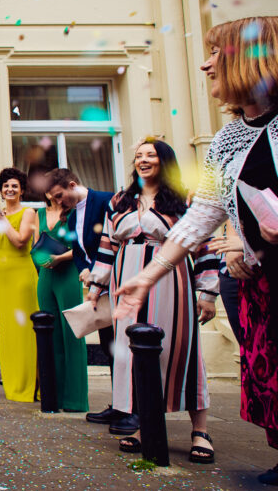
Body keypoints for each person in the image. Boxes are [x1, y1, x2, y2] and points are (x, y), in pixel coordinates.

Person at [116, 17, 278, 485]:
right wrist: (148, 275)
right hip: (260, 279)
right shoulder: (227, 138)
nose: (206, 65)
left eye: (217, 55)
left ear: (251, 60)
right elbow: (203, 214)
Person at [89, 139, 218, 461]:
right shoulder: (121, 199)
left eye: (151, 155)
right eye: (138, 156)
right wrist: (95, 286)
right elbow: (107, 245)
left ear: (165, 161)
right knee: (131, 354)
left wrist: (208, 293)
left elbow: (202, 244)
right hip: (125, 280)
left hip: (170, 279)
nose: (143, 160)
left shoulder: (184, 199)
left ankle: (199, 430)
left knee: (181, 350)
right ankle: (143, 424)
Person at [45, 169, 120, 428]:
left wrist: (98, 274)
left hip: (116, 282)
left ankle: (130, 406)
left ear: (73, 185)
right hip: (96, 285)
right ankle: (119, 404)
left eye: (59, 196)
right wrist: (84, 268)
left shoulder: (108, 201)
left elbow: (110, 242)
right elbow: (78, 248)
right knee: (110, 345)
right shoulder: (74, 212)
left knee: (122, 347)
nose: (58, 202)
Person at [32, 185, 88, 412]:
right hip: (46, 274)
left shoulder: (75, 213)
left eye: (58, 190)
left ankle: (75, 399)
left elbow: (82, 246)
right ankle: (52, 396)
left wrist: (59, 257)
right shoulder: (40, 214)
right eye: (49, 190)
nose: (54, 194)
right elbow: (36, 244)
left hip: (68, 273)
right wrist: (42, 257)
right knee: (49, 334)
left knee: (71, 333)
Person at [0, 168, 39, 403]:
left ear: (21, 190)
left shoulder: (28, 212)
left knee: (24, 331)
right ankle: (12, 382)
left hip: (21, 276)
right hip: (3, 277)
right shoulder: (1, 216)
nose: (10, 189)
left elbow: (19, 241)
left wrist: (2, 220)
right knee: (8, 331)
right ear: (0, 189)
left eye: (15, 186)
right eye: (6, 186)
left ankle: (30, 384)